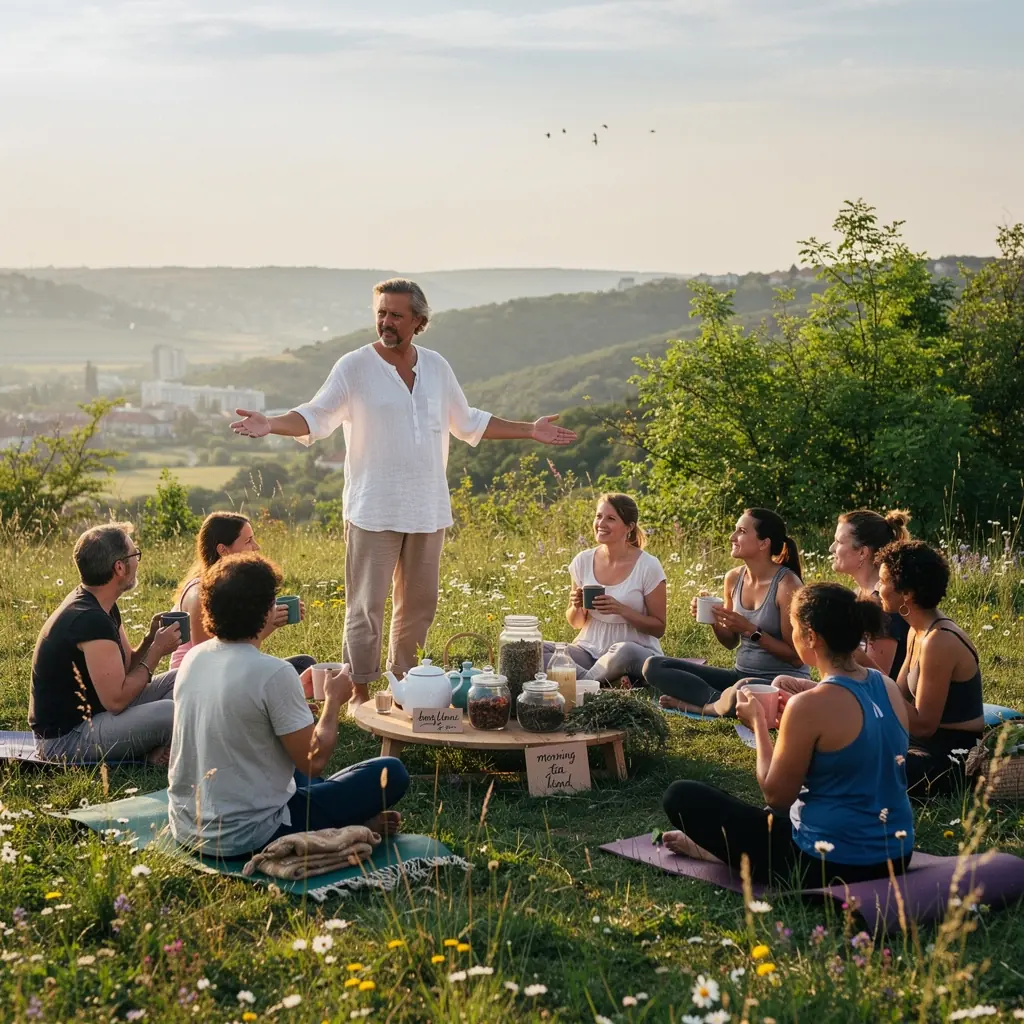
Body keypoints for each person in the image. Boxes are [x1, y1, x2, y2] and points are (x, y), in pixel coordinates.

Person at [230, 278, 577, 705]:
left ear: (418, 320)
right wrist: (272, 424)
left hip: (428, 508)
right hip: (373, 508)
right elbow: (316, 415)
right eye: (380, 312)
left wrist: (530, 430)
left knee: (418, 608)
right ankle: (357, 691)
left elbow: (469, 421)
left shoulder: (436, 367)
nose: (386, 322)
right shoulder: (354, 366)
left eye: (395, 314)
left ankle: (404, 687)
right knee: (365, 607)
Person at [661, 583, 914, 885]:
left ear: (811, 637)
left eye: (794, 628)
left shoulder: (809, 706)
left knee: (681, 795)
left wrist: (758, 725)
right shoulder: (885, 686)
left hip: (829, 863)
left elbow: (776, 797)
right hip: (897, 854)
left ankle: (717, 853)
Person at [168, 552, 410, 859]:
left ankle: (333, 815)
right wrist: (333, 701)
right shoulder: (274, 673)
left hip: (188, 826)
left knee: (300, 776)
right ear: (267, 609)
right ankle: (336, 825)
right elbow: (313, 760)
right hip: (246, 835)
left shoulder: (194, 658)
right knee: (392, 771)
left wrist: (293, 690)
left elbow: (243, 699)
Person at [29, 523, 182, 764]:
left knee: (183, 677)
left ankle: (155, 750)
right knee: (172, 712)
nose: (138, 561)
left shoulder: (102, 603)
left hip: (100, 713)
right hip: (66, 740)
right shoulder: (89, 620)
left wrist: (149, 640)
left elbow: (127, 667)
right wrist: (156, 651)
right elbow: (117, 700)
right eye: (135, 554)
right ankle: (152, 754)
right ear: (119, 567)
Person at [643, 508, 810, 715]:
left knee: (742, 689)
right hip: (740, 675)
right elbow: (730, 642)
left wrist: (750, 630)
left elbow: (796, 657)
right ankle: (726, 702)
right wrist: (714, 618)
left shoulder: (787, 585)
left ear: (763, 543)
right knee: (654, 666)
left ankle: (703, 705)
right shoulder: (733, 578)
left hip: (780, 682)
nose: (732, 537)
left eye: (741, 531)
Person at [876, 540, 984, 797]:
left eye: (883, 581)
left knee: (868, 765)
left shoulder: (939, 640)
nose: (878, 588)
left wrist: (870, 681)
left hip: (950, 758)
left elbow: (924, 724)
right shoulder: (918, 630)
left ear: (907, 594)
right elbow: (899, 695)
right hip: (916, 744)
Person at [170, 511, 313, 678]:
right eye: (248, 541)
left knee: (304, 664)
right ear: (223, 550)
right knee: (290, 672)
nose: (256, 547)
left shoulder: (230, 584)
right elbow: (211, 660)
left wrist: (272, 621)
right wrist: (269, 624)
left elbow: (238, 649)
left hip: (228, 668)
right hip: (198, 680)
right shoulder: (198, 595)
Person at [545, 493, 666, 686]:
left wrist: (621, 610)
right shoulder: (583, 560)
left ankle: (584, 683)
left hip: (632, 653)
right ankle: (607, 682)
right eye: (598, 516)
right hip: (589, 649)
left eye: (610, 518)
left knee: (623, 651)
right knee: (535, 649)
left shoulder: (648, 566)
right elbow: (576, 623)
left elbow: (659, 628)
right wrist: (577, 606)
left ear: (629, 527)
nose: (601, 523)